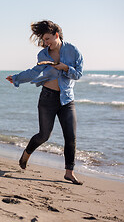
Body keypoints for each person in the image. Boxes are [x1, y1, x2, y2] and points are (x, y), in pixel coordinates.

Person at [6, 20, 84, 185]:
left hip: (67, 99)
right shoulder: (43, 55)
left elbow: (78, 74)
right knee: (44, 135)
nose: (45, 43)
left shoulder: (72, 50)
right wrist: (17, 78)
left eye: (48, 39)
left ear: (57, 35)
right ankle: (26, 153)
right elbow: (34, 72)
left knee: (71, 136)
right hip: (47, 98)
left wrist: (65, 68)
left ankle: (69, 172)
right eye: (43, 40)